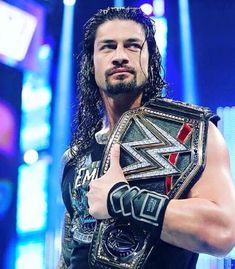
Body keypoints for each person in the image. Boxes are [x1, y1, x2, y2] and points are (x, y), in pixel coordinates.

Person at [57, 7, 235, 269]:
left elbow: (222, 233)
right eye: (108, 47)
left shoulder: (193, 133)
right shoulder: (75, 157)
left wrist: (120, 198)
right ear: (91, 63)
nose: (120, 56)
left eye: (132, 46)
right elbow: (70, 255)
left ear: (150, 59)